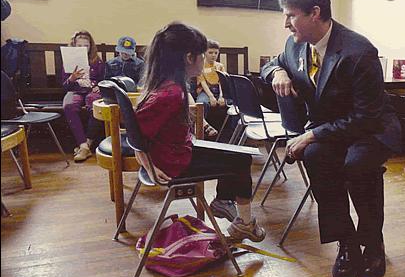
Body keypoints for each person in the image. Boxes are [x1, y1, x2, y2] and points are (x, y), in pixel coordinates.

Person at [261, 0, 401, 277]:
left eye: (290, 16)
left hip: (372, 129)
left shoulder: (359, 51)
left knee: (358, 165)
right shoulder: (295, 44)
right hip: (334, 129)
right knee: (316, 158)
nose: (286, 24)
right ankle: (347, 244)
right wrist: (278, 71)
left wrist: (312, 134)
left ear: (315, 13)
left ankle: (373, 243)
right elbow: (272, 63)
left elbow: (366, 117)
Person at [135, 22, 265, 242]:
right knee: (242, 161)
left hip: (177, 151)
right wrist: (150, 167)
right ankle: (242, 222)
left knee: (239, 154)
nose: (205, 60)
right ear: (189, 57)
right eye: (202, 55)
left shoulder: (167, 84)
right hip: (174, 163)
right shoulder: (172, 93)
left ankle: (226, 204)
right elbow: (137, 136)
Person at [62, 30, 105, 162]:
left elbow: (103, 79)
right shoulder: (68, 62)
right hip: (75, 91)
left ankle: (88, 143)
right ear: (74, 46)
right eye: (79, 46)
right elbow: (65, 86)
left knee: (96, 103)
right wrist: (71, 78)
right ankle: (83, 145)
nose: (82, 49)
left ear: (90, 46)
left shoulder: (97, 61)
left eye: (85, 46)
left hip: (92, 91)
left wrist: (99, 86)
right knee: (69, 105)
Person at [195, 39, 226, 115]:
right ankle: (201, 125)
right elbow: (203, 82)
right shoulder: (200, 66)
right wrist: (211, 96)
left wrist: (222, 96)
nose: (213, 55)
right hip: (206, 91)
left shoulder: (220, 66)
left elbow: (222, 82)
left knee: (233, 102)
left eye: (216, 53)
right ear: (205, 52)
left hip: (219, 90)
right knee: (201, 103)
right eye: (210, 52)